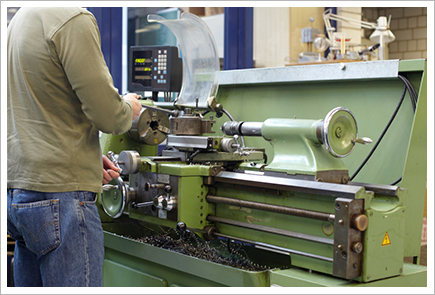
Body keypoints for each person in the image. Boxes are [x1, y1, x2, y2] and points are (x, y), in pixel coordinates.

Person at [7, 7, 142, 287]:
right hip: (61, 202)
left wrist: (88, 161)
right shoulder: (72, 19)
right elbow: (109, 116)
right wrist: (130, 105)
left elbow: (41, 110)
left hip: (18, 196)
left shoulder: (21, 18)